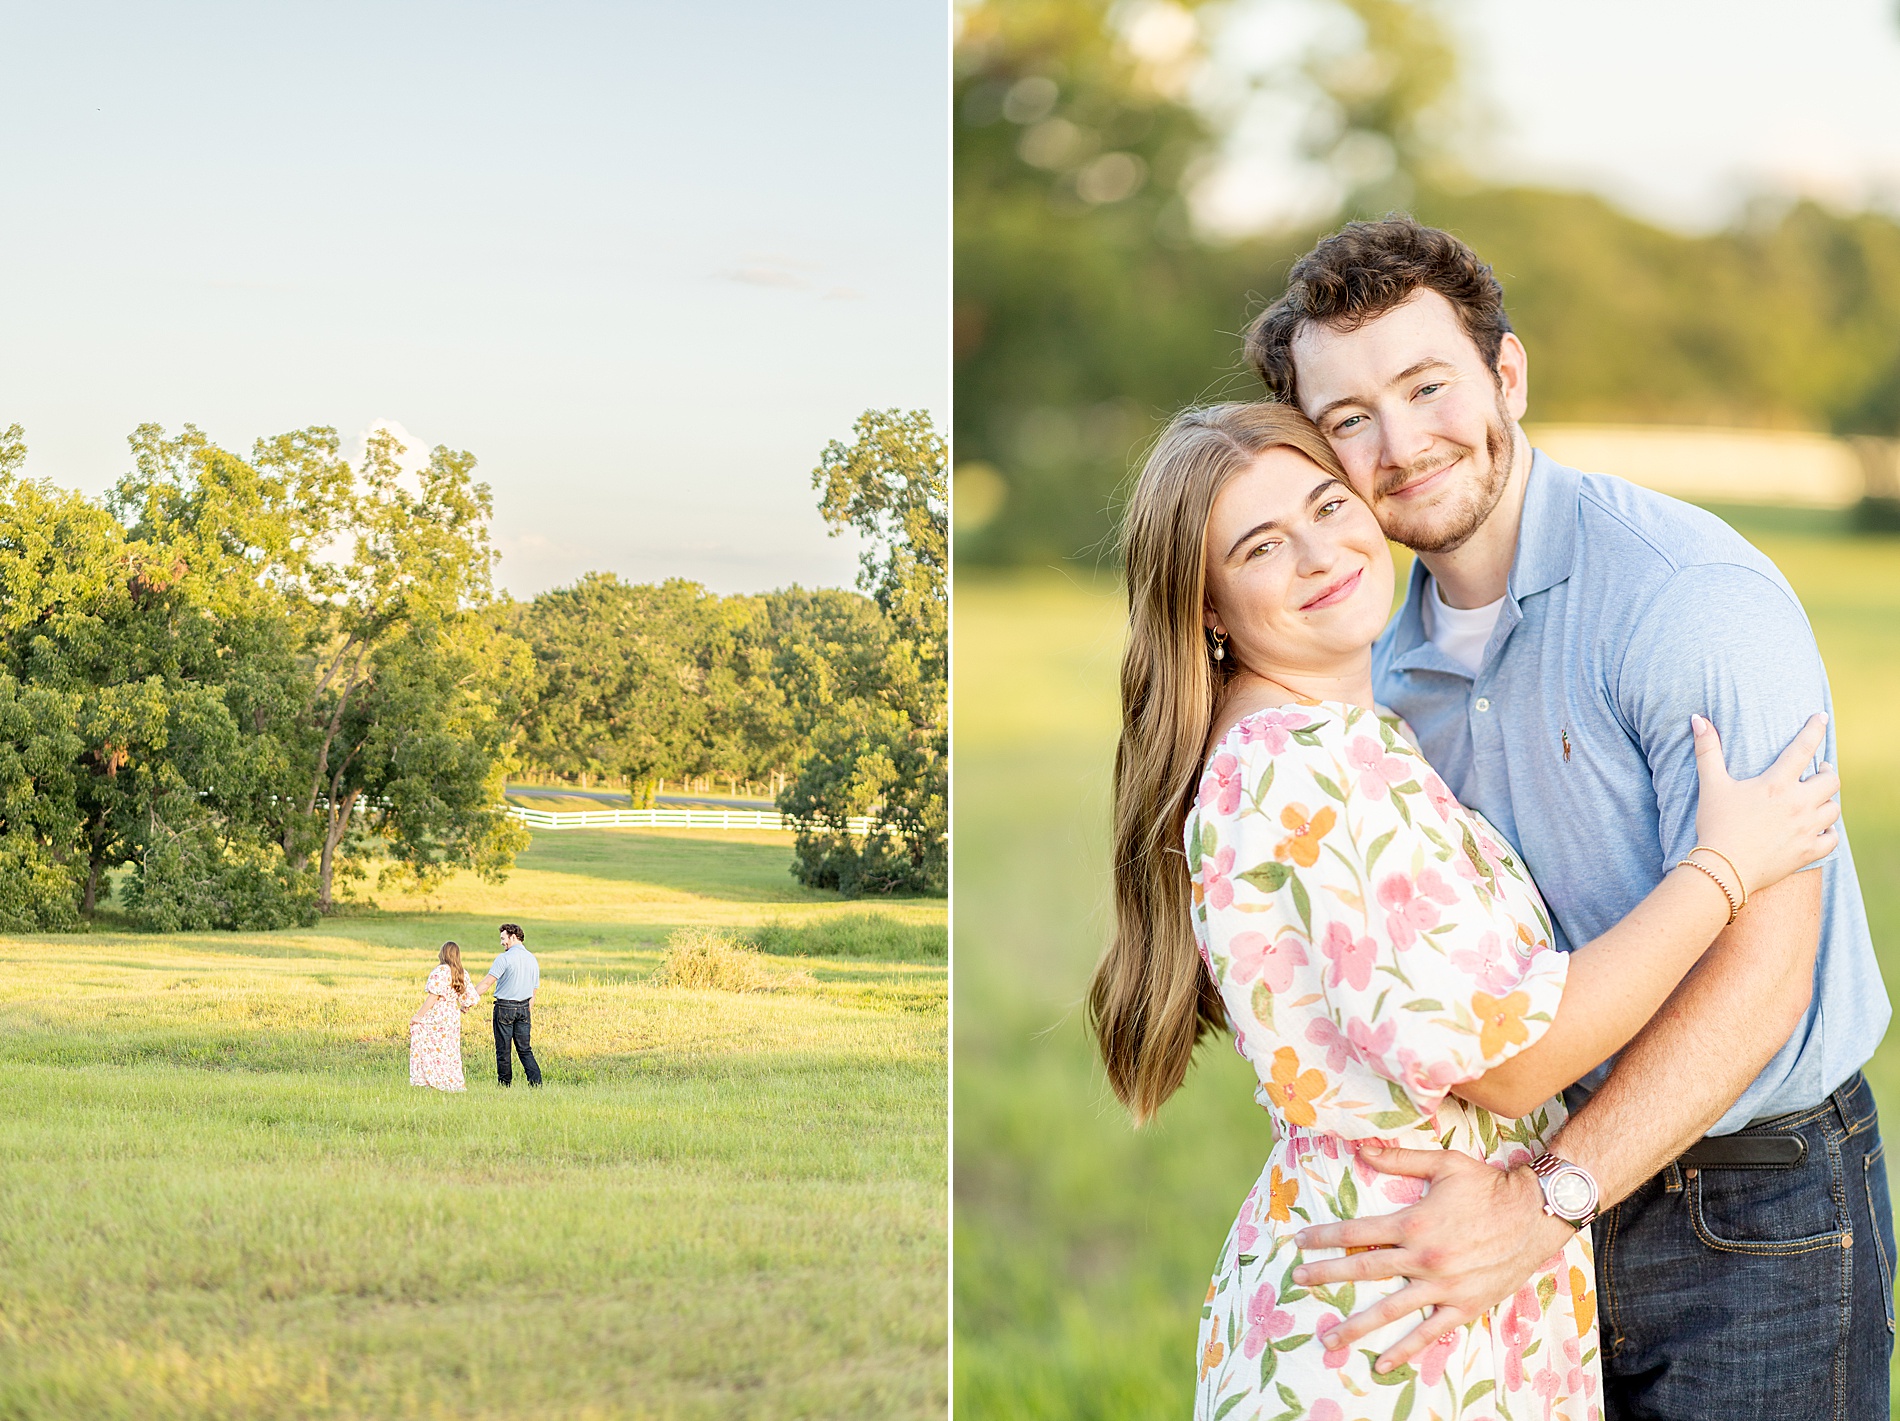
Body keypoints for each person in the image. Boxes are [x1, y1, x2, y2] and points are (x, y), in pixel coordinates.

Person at [1240, 217, 1893, 1417]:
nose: (1399, 443)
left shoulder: (1688, 599)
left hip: (1753, 1213)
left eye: (1426, 384)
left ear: (1507, 374)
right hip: (1526, 1204)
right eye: (1347, 419)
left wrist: (1544, 1201)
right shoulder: (1371, 665)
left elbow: (1767, 976)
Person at [1091, 400, 1842, 1419]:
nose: (1321, 553)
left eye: (1326, 504)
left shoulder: (1336, 736)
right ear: (1208, 606)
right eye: (1264, 545)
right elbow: (1511, 1057)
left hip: (1422, 1280)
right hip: (1403, 1321)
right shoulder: (1304, 767)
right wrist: (1718, 866)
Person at [409, 940, 481, 1091]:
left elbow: (433, 997)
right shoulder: (461, 972)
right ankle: (451, 1083)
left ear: (443, 953)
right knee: (450, 1051)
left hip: (437, 1014)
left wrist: (418, 1016)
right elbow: (471, 998)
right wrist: (463, 1007)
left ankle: (432, 1080)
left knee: (431, 1048)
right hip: (452, 1016)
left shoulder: (440, 971)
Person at [478, 921, 542, 1088]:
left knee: (503, 1050)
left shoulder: (504, 958)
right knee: (525, 1049)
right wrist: (526, 1011)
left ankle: (504, 1085)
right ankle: (536, 1083)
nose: (502, 942)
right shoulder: (532, 959)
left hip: (504, 1008)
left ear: (513, 937)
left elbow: (486, 983)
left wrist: (468, 999)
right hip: (524, 1008)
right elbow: (534, 991)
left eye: (503, 938)